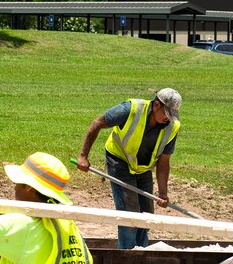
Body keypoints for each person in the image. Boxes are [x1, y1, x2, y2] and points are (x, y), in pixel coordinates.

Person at [77, 88, 182, 249]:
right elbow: (97, 123)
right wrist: (83, 156)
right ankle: (126, 256)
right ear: (156, 105)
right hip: (119, 160)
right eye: (166, 114)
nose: (167, 119)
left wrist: (163, 193)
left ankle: (140, 251)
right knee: (129, 211)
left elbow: (163, 161)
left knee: (147, 214)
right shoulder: (131, 109)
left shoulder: (171, 127)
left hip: (142, 168)